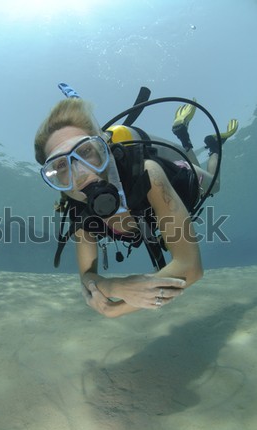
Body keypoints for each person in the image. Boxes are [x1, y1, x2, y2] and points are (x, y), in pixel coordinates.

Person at [34, 87, 238, 318]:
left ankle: (208, 145)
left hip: (186, 184)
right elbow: (87, 278)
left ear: (104, 149)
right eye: (60, 165)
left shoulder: (147, 173)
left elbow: (191, 267)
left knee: (215, 184)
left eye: (85, 151)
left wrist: (114, 309)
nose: (79, 173)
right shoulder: (80, 212)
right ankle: (185, 135)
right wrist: (114, 287)